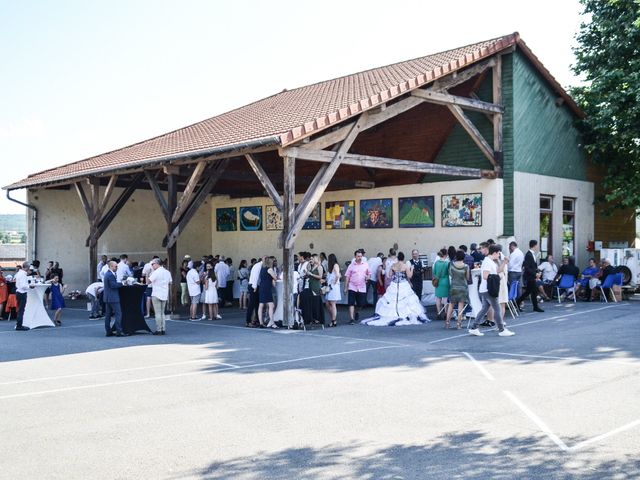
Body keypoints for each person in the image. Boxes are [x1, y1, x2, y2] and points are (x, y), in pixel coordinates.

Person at [361, 252, 428, 326]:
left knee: (392, 299)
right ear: (403, 258)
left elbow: (389, 275)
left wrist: (392, 270)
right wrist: (411, 269)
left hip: (394, 284)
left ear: (398, 258)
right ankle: (404, 313)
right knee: (406, 300)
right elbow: (409, 276)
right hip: (403, 284)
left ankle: (391, 314)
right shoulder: (405, 266)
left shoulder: (394, 265)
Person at [468, 245, 515, 337]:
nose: (499, 255)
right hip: (489, 289)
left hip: (486, 289)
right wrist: (498, 277)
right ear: (494, 253)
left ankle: (474, 328)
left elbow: (497, 271)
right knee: (497, 309)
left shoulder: (489, 261)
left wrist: (504, 262)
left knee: (484, 309)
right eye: (498, 253)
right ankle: (501, 329)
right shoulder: (487, 262)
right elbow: (486, 276)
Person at [516, 240, 544, 313]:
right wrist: (535, 274)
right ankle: (535, 307)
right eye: (537, 245)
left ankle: (517, 302)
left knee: (529, 292)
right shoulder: (528, 255)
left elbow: (533, 266)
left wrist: (537, 272)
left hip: (532, 276)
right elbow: (527, 267)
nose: (537, 247)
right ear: (534, 246)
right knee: (533, 292)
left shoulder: (532, 254)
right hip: (530, 277)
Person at [344, 250, 371, 324]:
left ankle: (356, 311)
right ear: (355, 256)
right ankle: (351, 319)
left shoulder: (365, 264)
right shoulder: (351, 265)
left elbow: (369, 273)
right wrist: (346, 287)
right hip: (352, 286)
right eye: (358, 256)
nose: (360, 258)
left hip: (362, 287)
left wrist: (368, 277)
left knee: (361, 304)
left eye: (361, 256)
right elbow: (347, 277)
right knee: (351, 303)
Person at [446, 250, 469, 329]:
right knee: (460, 306)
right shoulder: (466, 266)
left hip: (453, 286)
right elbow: (467, 278)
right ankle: (459, 324)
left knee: (451, 305)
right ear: (463, 257)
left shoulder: (451, 265)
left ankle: (447, 323)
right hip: (462, 287)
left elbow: (450, 274)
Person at [148, 258, 172, 335]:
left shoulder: (156, 272)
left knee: (158, 313)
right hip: (164, 293)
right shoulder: (167, 272)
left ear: (157, 264)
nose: (152, 265)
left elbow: (148, 281)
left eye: (153, 264)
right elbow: (170, 282)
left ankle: (159, 329)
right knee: (162, 313)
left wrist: (148, 274)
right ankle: (163, 329)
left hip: (156, 293)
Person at [103, 260, 127, 336]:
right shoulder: (110, 275)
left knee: (108, 315)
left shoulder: (108, 274)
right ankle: (119, 331)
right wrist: (122, 283)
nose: (117, 267)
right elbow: (113, 285)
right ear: (111, 266)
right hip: (113, 297)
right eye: (116, 266)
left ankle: (108, 331)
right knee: (118, 314)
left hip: (108, 297)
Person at [258, 257, 278, 328]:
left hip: (261, 287)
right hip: (267, 288)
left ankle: (261, 322)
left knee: (261, 305)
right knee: (271, 305)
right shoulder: (269, 269)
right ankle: (272, 322)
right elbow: (275, 278)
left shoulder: (262, 269)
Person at [246, 256, 264, 327]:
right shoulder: (258, 266)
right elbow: (255, 277)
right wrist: (255, 287)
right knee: (252, 304)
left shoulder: (258, 265)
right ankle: (248, 321)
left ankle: (257, 320)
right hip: (254, 286)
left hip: (255, 286)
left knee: (257, 304)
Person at [14, 261, 32, 331]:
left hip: (19, 292)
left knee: (20, 309)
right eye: (29, 267)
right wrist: (30, 286)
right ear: (27, 267)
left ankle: (19, 324)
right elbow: (23, 286)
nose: (29, 268)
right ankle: (19, 325)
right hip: (22, 293)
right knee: (21, 310)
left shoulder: (19, 273)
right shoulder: (23, 274)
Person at [324, 253, 341, 327]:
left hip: (334, 286)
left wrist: (335, 281)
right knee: (328, 303)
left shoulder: (335, 265)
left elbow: (337, 275)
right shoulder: (330, 267)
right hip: (330, 286)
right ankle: (333, 318)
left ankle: (333, 320)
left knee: (332, 303)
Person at [432, 249, 450, 319]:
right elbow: (449, 273)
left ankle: (439, 313)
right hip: (445, 281)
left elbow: (434, 273)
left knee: (438, 298)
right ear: (446, 254)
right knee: (445, 298)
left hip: (438, 281)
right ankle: (446, 313)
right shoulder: (447, 263)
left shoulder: (436, 263)